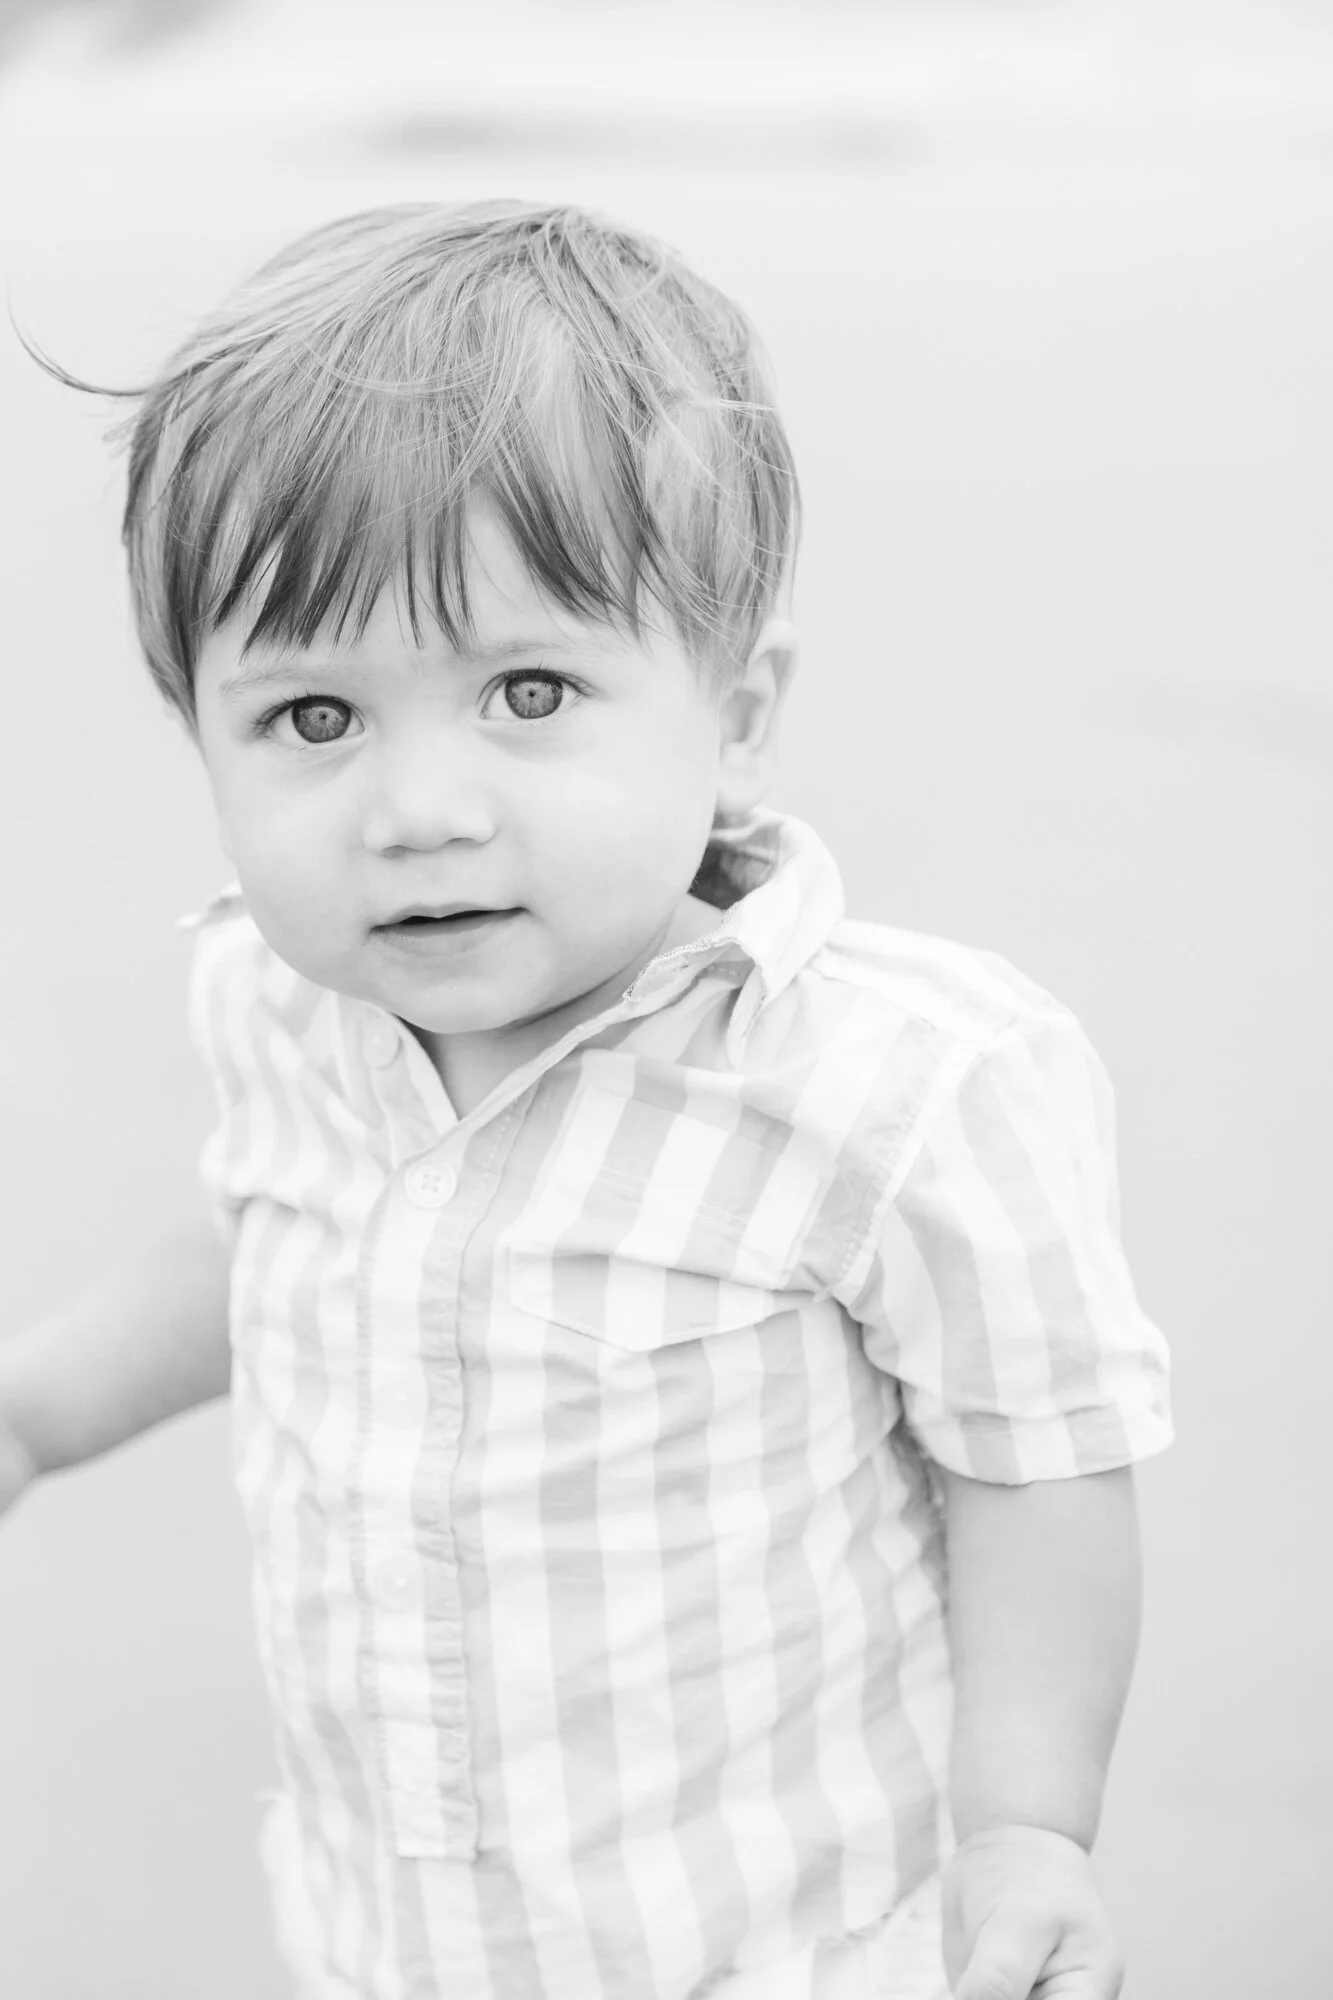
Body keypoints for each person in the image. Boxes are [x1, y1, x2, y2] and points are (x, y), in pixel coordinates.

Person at [0, 201, 1171, 2000]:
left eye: (527, 690)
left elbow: (1042, 1465)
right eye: (313, 717)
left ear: (736, 710)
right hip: (397, 1920)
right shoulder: (282, 995)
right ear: (200, 734)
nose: (420, 806)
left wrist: (1028, 1826)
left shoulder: (891, 1079)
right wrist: (38, 1411)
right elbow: (273, 1223)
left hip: (782, 1938)